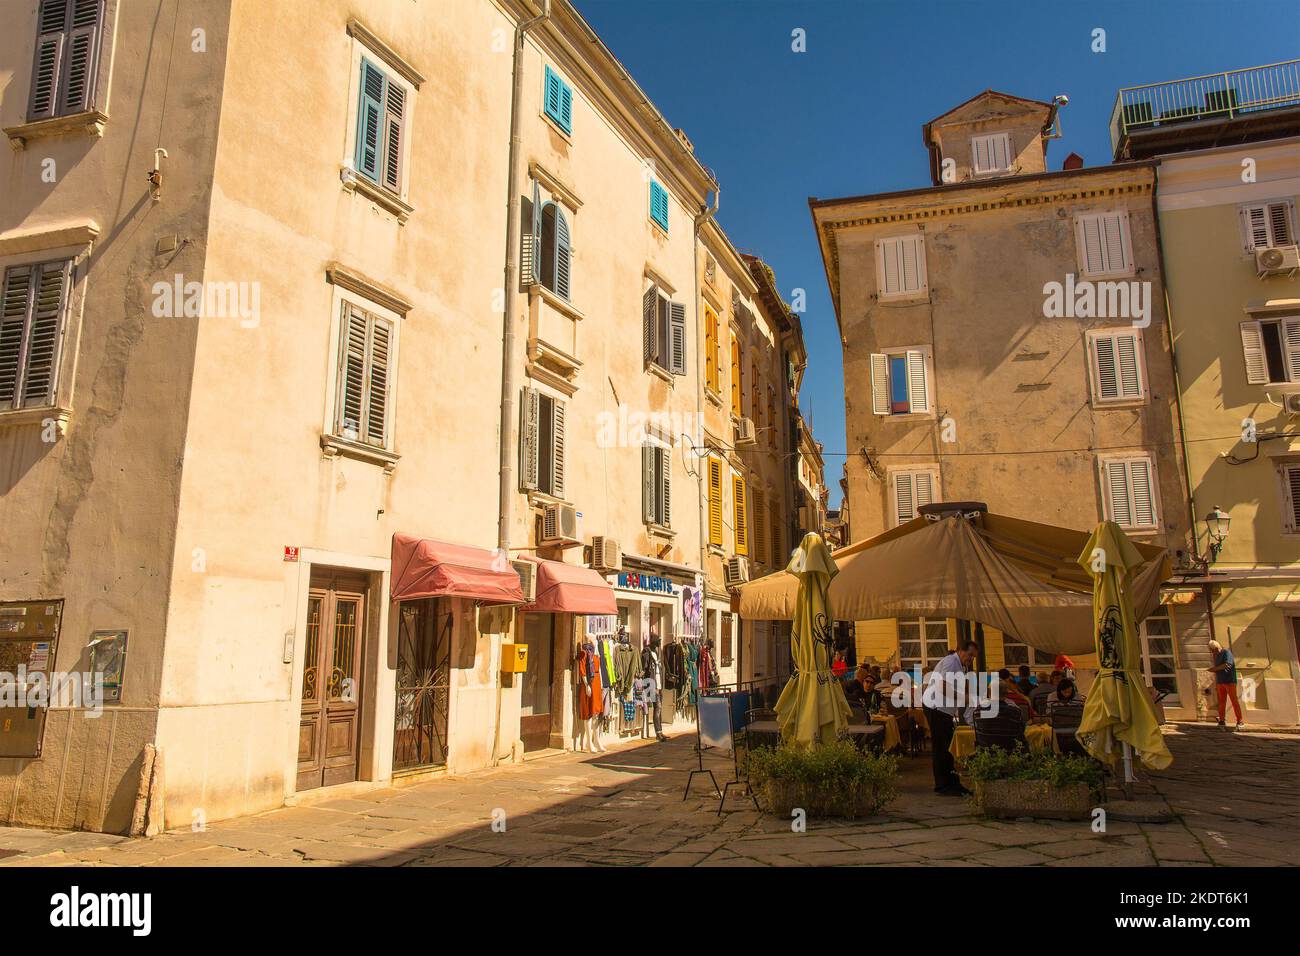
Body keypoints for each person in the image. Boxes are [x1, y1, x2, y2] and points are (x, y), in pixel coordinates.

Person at [923, 640, 979, 797]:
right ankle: (943, 784)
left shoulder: (960, 666)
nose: (971, 659)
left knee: (946, 747)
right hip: (936, 708)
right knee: (942, 748)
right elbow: (943, 688)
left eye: (974, 657)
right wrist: (964, 697)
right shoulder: (951, 662)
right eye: (970, 655)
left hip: (942, 710)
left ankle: (951, 783)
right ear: (960, 650)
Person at [1207, 639, 1243, 731]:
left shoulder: (1226, 652)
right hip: (1220, 681)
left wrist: (1214, 669)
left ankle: (1240, 721)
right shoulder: (1216, 656)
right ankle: (1222, 720)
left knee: (1234, 700)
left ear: (1216, 647)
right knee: (1221, 702)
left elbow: (1228, 664)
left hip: (1229, 681)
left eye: (1212, 650)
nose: (1211, 652)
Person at [641, 632, 668, 742]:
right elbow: (645, 668)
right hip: (651, 683)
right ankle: (658, 733)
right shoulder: (646, 652)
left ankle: (660, 731)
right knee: (657, 707)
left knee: (659, 708)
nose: (659, 643)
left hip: (658, 682)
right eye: (657, 641)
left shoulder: (656, 652)